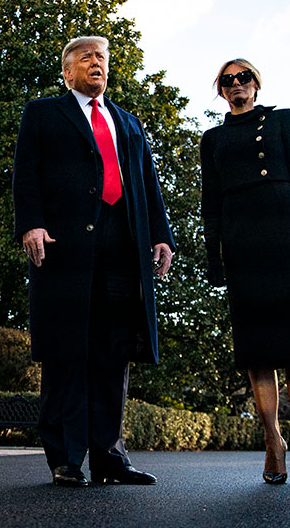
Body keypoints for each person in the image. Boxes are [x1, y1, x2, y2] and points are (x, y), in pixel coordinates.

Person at [13, 36, 175, 487]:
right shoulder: (43, 113)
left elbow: (147, 182)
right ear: (67, 72)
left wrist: (160, 236)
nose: (96, 63)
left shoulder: (127, 122)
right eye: (85, 58)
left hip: (121, 247)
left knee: (114, 351)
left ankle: (110, 458)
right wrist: (31, 224)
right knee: (67, 349)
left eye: (101, 57)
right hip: (64, 246)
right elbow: (25, 171)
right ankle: (66, 458)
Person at [200, 59, 290, 485]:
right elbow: (210, 202)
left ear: (256, 84)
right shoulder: (212, 138)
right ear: (220, 90)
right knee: (256, 347)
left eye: (244, 77)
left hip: (287, 234)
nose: (237, 84)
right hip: (241, 243)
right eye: (228, 80)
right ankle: (273, 439)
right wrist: (213, 255)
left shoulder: (282, 121)